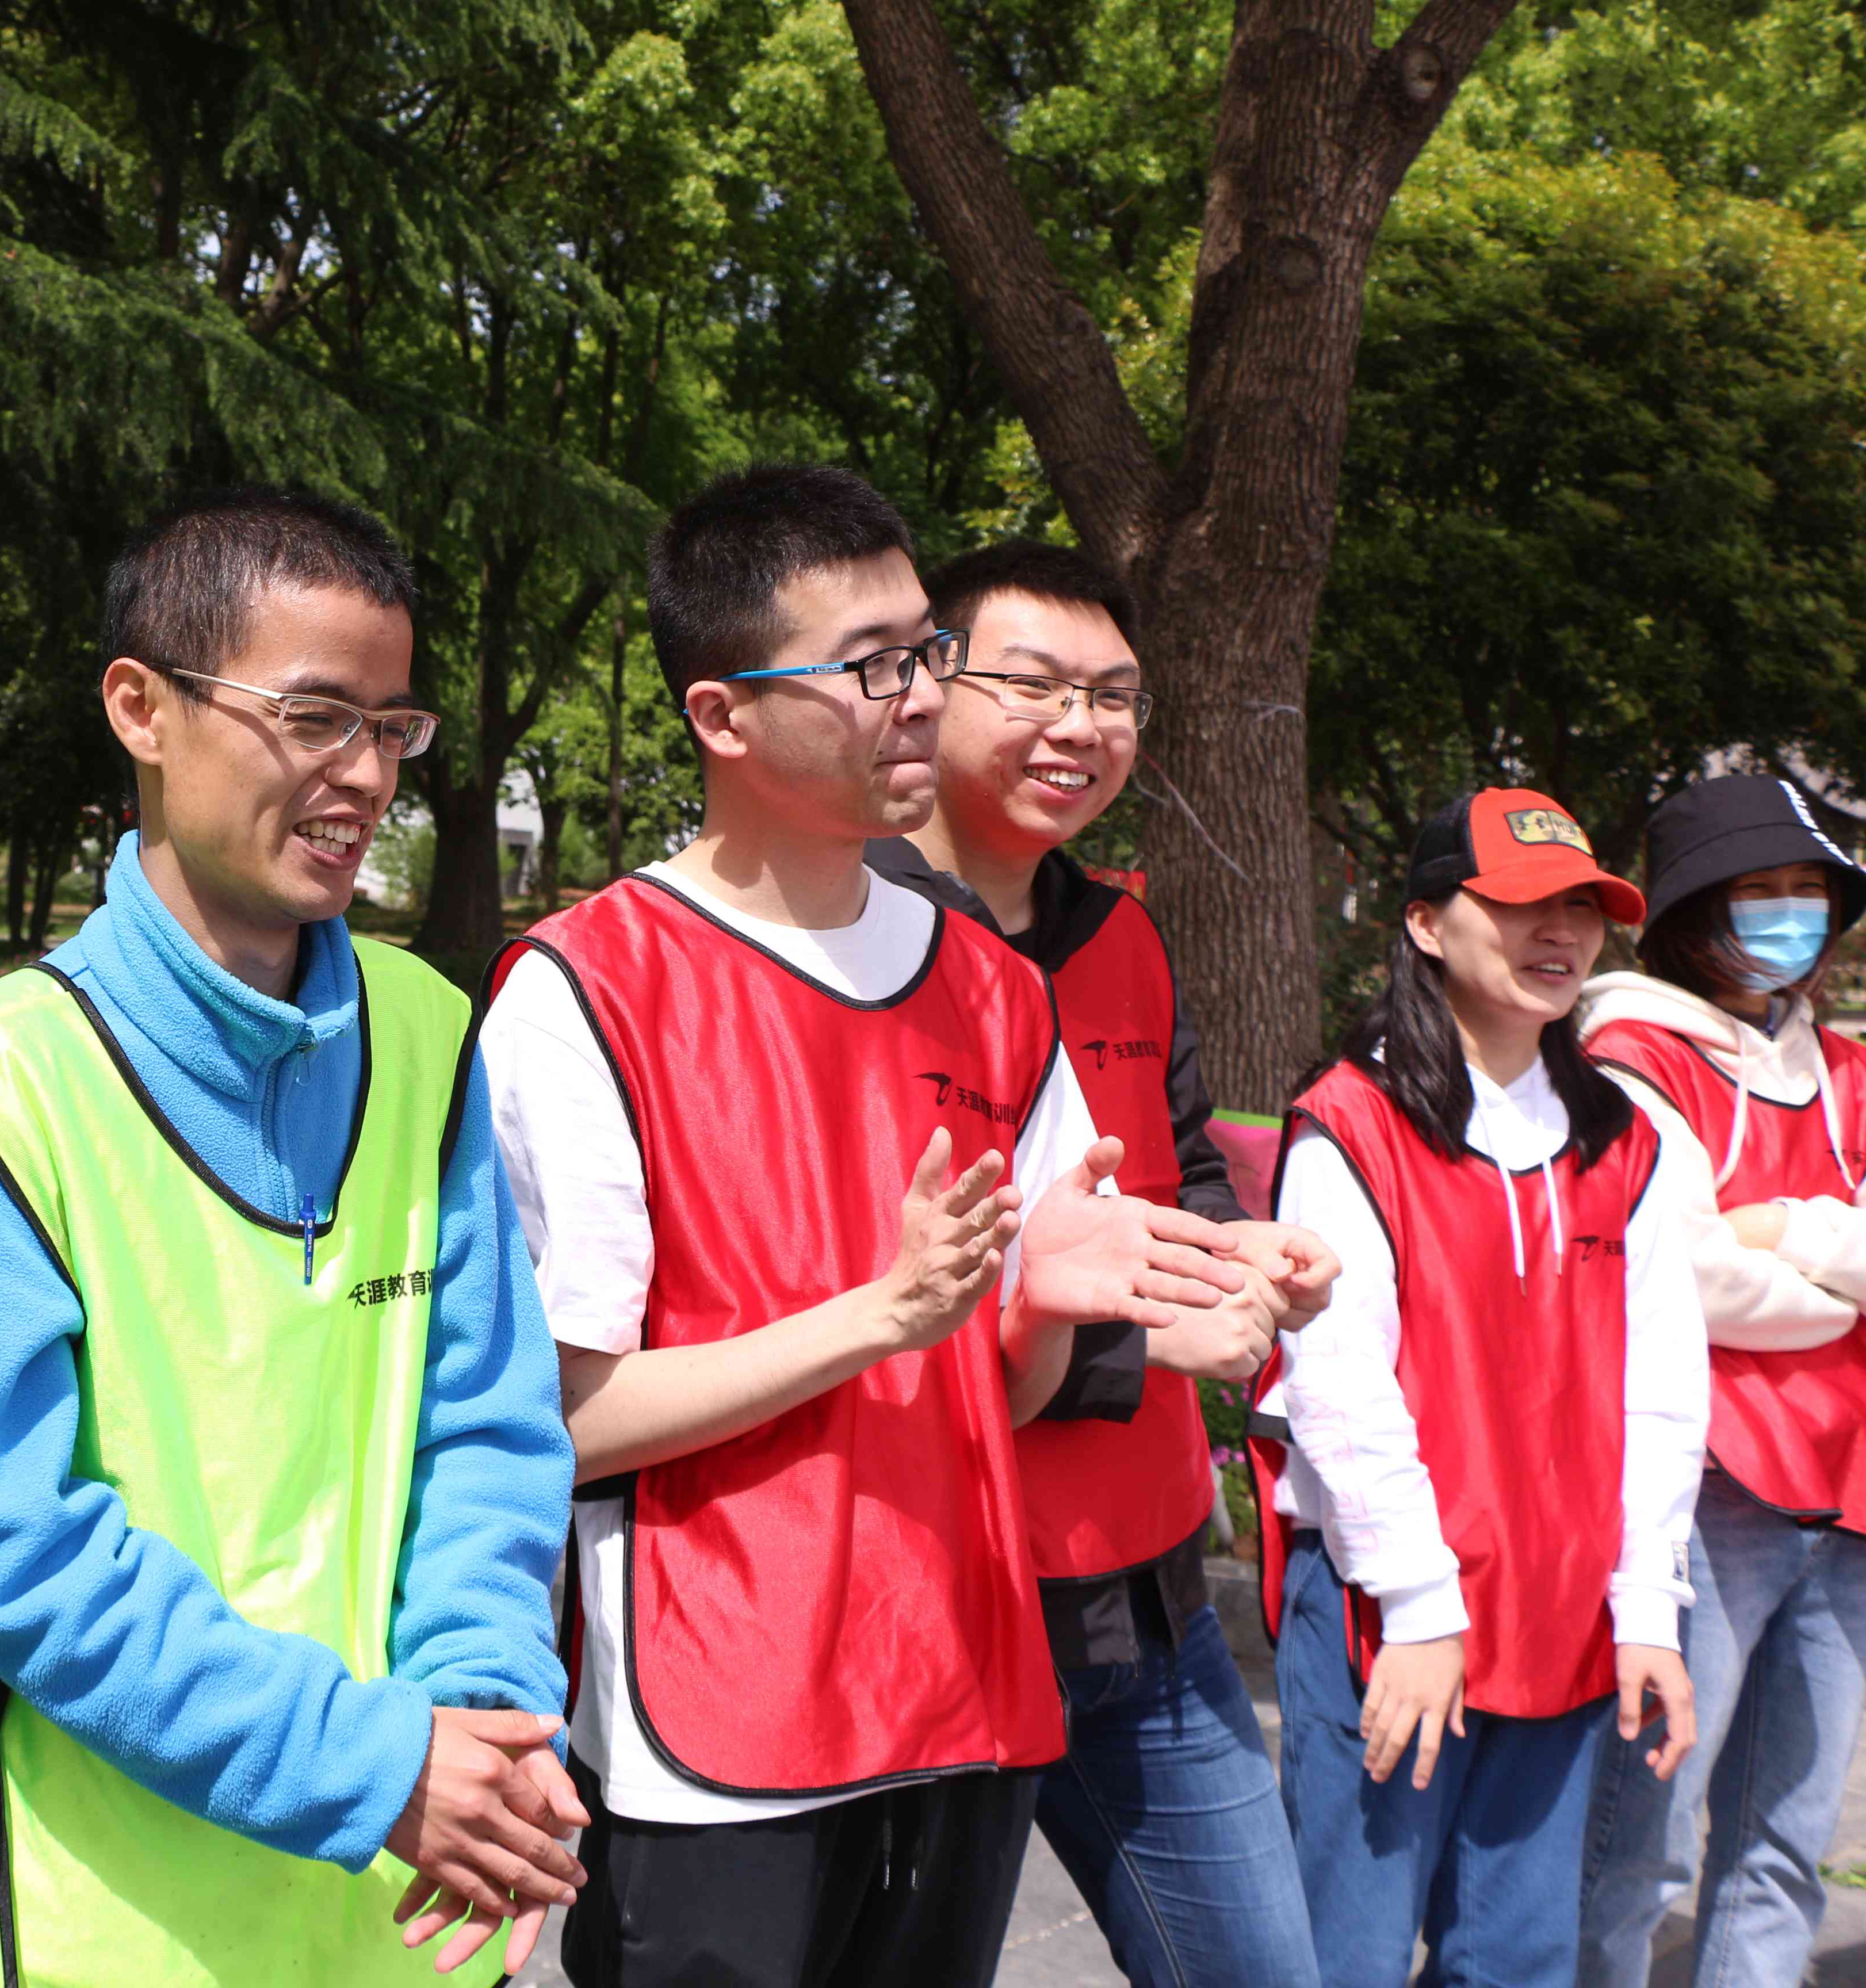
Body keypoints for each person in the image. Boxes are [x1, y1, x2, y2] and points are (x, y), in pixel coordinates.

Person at [481, 465, 1284, 1988]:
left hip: (962, 1692)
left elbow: (1010, 1389)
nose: (917, 697)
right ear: (722, 716)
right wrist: (886, 1313)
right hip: (717, 1727)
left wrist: (1050, 1304)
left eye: (925, 653)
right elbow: (565, 1421)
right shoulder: (590, 988)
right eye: (869, 666)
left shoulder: (992, 988)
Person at [0, 487, 580, 1987]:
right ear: (141, 706)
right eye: (317, 718)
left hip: (415, 1895)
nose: (366, 776)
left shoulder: (429, 1036)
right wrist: (376, 1766)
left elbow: (490, 1430)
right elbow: (17, 1555)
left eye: (394, 728)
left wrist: (487, 1719)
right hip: (112, 1911)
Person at [870, 540, 1332, 1988]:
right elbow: (856, 1299)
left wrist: (1232, 1259)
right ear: (925, 681)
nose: (1079, 726)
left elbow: (1177, 1164)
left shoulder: (1120, 932)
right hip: (930, 1590)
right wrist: (1147, 1340)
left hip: (1141, 1594)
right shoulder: (844, 945)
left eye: (1114, 696)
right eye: (1033, 684)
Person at [1251, 786, 1706, 1988]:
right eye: (1516, 905)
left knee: (1516, 1962)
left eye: (1581, 908)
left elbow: (1663, 1390)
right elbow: (1339, 1386)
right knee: (1342, 1955)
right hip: (1395, 1619)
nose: (1556, 933)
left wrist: (1647, 1612)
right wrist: (1418, 1607)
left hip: (1562, 1619)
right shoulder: (1349, 1125)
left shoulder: (1630, 1139)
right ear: (1422, 924)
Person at [1576, 773, 1866, 1987]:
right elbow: (1683, 1276)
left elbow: (1731, 1253)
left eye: (1811, 893)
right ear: (1699, 910)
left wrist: (1775, 1228)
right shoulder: (1629, 1050)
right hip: (1707, 1486)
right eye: (1763, 893)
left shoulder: (1846, 1068)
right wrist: (1841, 1263)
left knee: (1786, 1839)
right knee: (1640, 1841)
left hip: (1845, 1490)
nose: (1792, 916)